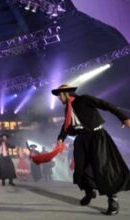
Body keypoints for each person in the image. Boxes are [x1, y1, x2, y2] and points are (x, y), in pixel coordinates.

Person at [52, 84, 130, 215]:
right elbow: (66, 125)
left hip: (97, 137)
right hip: (81, 139)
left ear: (66, 93)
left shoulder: (84, 99)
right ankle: (89, 192)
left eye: (59, 95)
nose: (58, 98)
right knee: (81, 169)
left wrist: (124, 117)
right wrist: (61, 138)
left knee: (103, 168)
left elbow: (107, 105)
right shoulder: (68, 108)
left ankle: (113, 200)